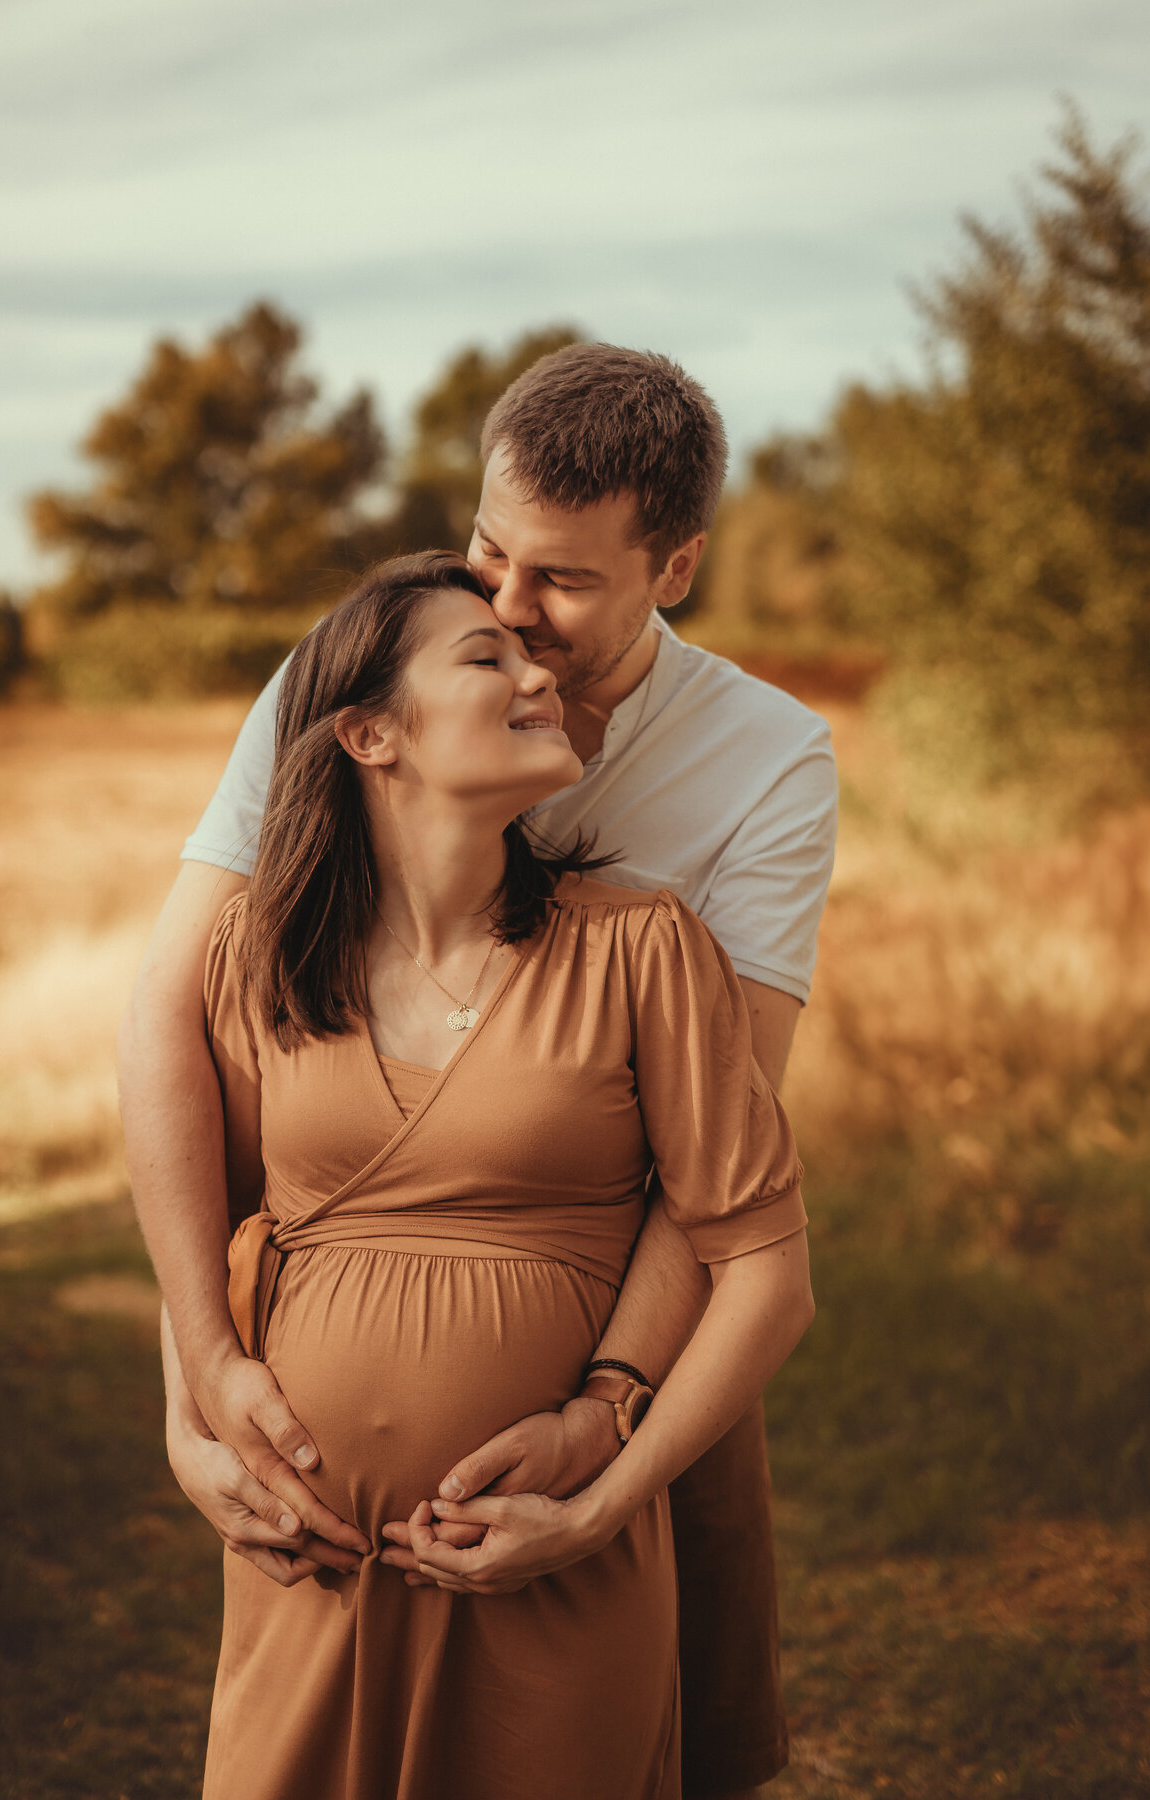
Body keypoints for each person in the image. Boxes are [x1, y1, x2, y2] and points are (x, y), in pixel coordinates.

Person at [119, 344, 838, 1796]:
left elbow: (718, 1190)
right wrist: (198, 1384)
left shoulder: (763, 762)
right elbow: (174, 1027)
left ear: (675, 567)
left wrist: (606, 1420)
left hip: (626, 1357)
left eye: (559, 585)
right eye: (486, 557)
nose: (507, 613)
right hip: (326, 1551)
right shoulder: (347, 684)